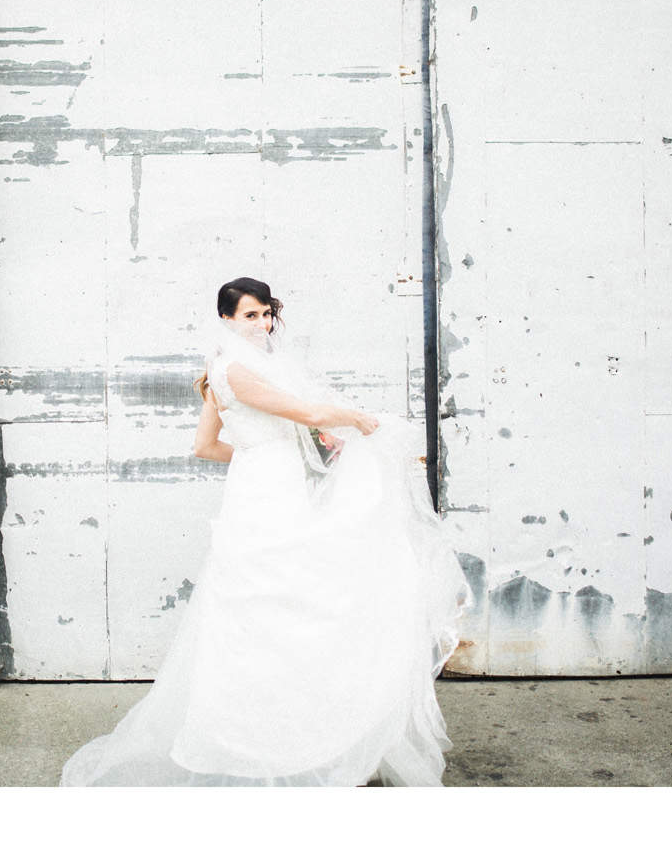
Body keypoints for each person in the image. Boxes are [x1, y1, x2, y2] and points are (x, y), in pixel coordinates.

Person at [59, 277, 473, 786]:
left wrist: (278, 454)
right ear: (227, 319)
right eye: (250, 316)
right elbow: (311, 414)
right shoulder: (233, 369)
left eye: (266, 314)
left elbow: (207, 447)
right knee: (275, 610)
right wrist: (362, 422)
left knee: (293, 604)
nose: (262, 323)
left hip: (269, 487)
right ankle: (272, 743)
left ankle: (308, 733)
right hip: (269, 500)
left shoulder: (229, 370)